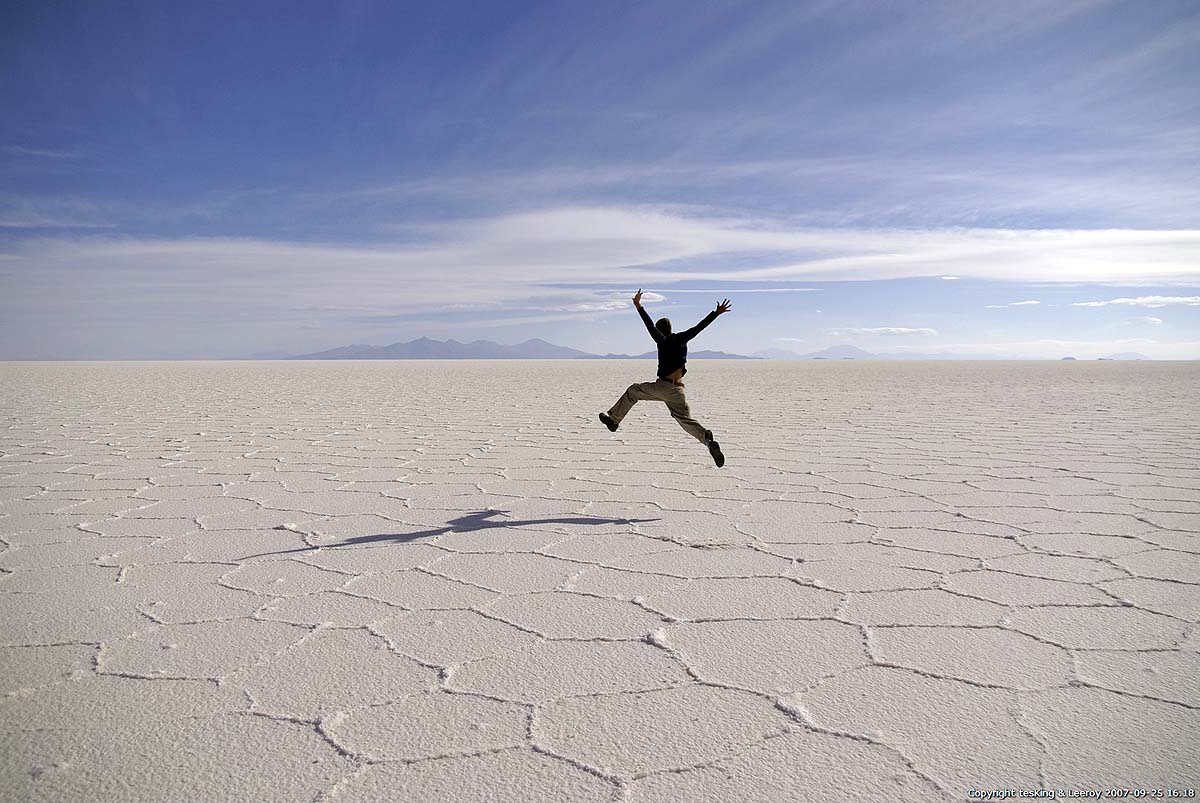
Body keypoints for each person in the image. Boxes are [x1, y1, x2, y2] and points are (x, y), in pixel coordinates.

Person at [598, 289, 732, 467]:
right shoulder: (683, 338)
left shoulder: (661, 341)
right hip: (678, 390)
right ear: (671, 329)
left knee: (633, 391)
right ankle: (707, 440)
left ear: (660, 331)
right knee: (685, 419)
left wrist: (638, 306)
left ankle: (614, 420)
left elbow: (649, 325)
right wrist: (715, 313)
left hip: (663, 386)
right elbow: (699, 328)